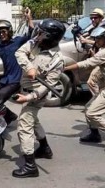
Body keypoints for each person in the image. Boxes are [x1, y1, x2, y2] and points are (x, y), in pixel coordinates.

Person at [13, 19, 66, 178]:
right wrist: (29, 67)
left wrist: (29, 97)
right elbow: (19, 52)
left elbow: (46, 86)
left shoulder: (57, 60)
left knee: (24, 124)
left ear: (50, 37)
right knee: (33, 121)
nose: (38, 34)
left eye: (42, 33)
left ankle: (30, 166)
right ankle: (44, 148)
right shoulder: (35, 43)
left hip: (36, 96)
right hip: (26, 90)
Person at [65, 25, 105, 152]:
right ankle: (94, 134)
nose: (96, 41)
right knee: (88, 108)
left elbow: (87, 63)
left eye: (99, 38)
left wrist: (64, 68)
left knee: (92, 113)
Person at [0, 7, 34, 125]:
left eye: (4, 31)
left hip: (16, 80)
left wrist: (29, 18)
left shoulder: (17, 42)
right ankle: (9, 116)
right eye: (0, 32)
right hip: (5, 79)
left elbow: (31, 34)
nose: (1, 34)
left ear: (9, 31)